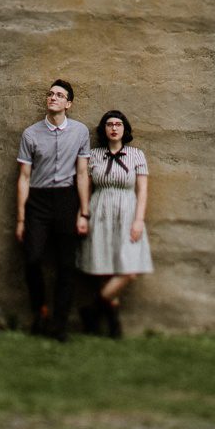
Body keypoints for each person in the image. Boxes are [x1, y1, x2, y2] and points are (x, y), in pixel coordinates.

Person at [15, 78, 92, 340]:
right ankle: (41, 311)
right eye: (50, 94)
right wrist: (21, 219)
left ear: (68, 104)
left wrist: (84, 212)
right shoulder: (30, 134)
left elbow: (82, 173)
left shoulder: (80, 132)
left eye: (59, 95)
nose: (53, 97)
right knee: (32, 258)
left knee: (66, 265)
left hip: (67, 200)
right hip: (38, 200)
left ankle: (59, 325)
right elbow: (24, 177)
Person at [76, 108, 151, 338]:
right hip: (100, 210)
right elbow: (85, 188)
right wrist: (83, 213)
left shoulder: (137, 155)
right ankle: (113, 326)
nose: (114, 128)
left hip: (127, 211)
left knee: (128, 271)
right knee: (105, 268)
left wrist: (139, 219)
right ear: (104, 129)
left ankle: (92, 310)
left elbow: (143, 190)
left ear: (125, 129)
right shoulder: (94, 155)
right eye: (109, 125)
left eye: (118, 124)